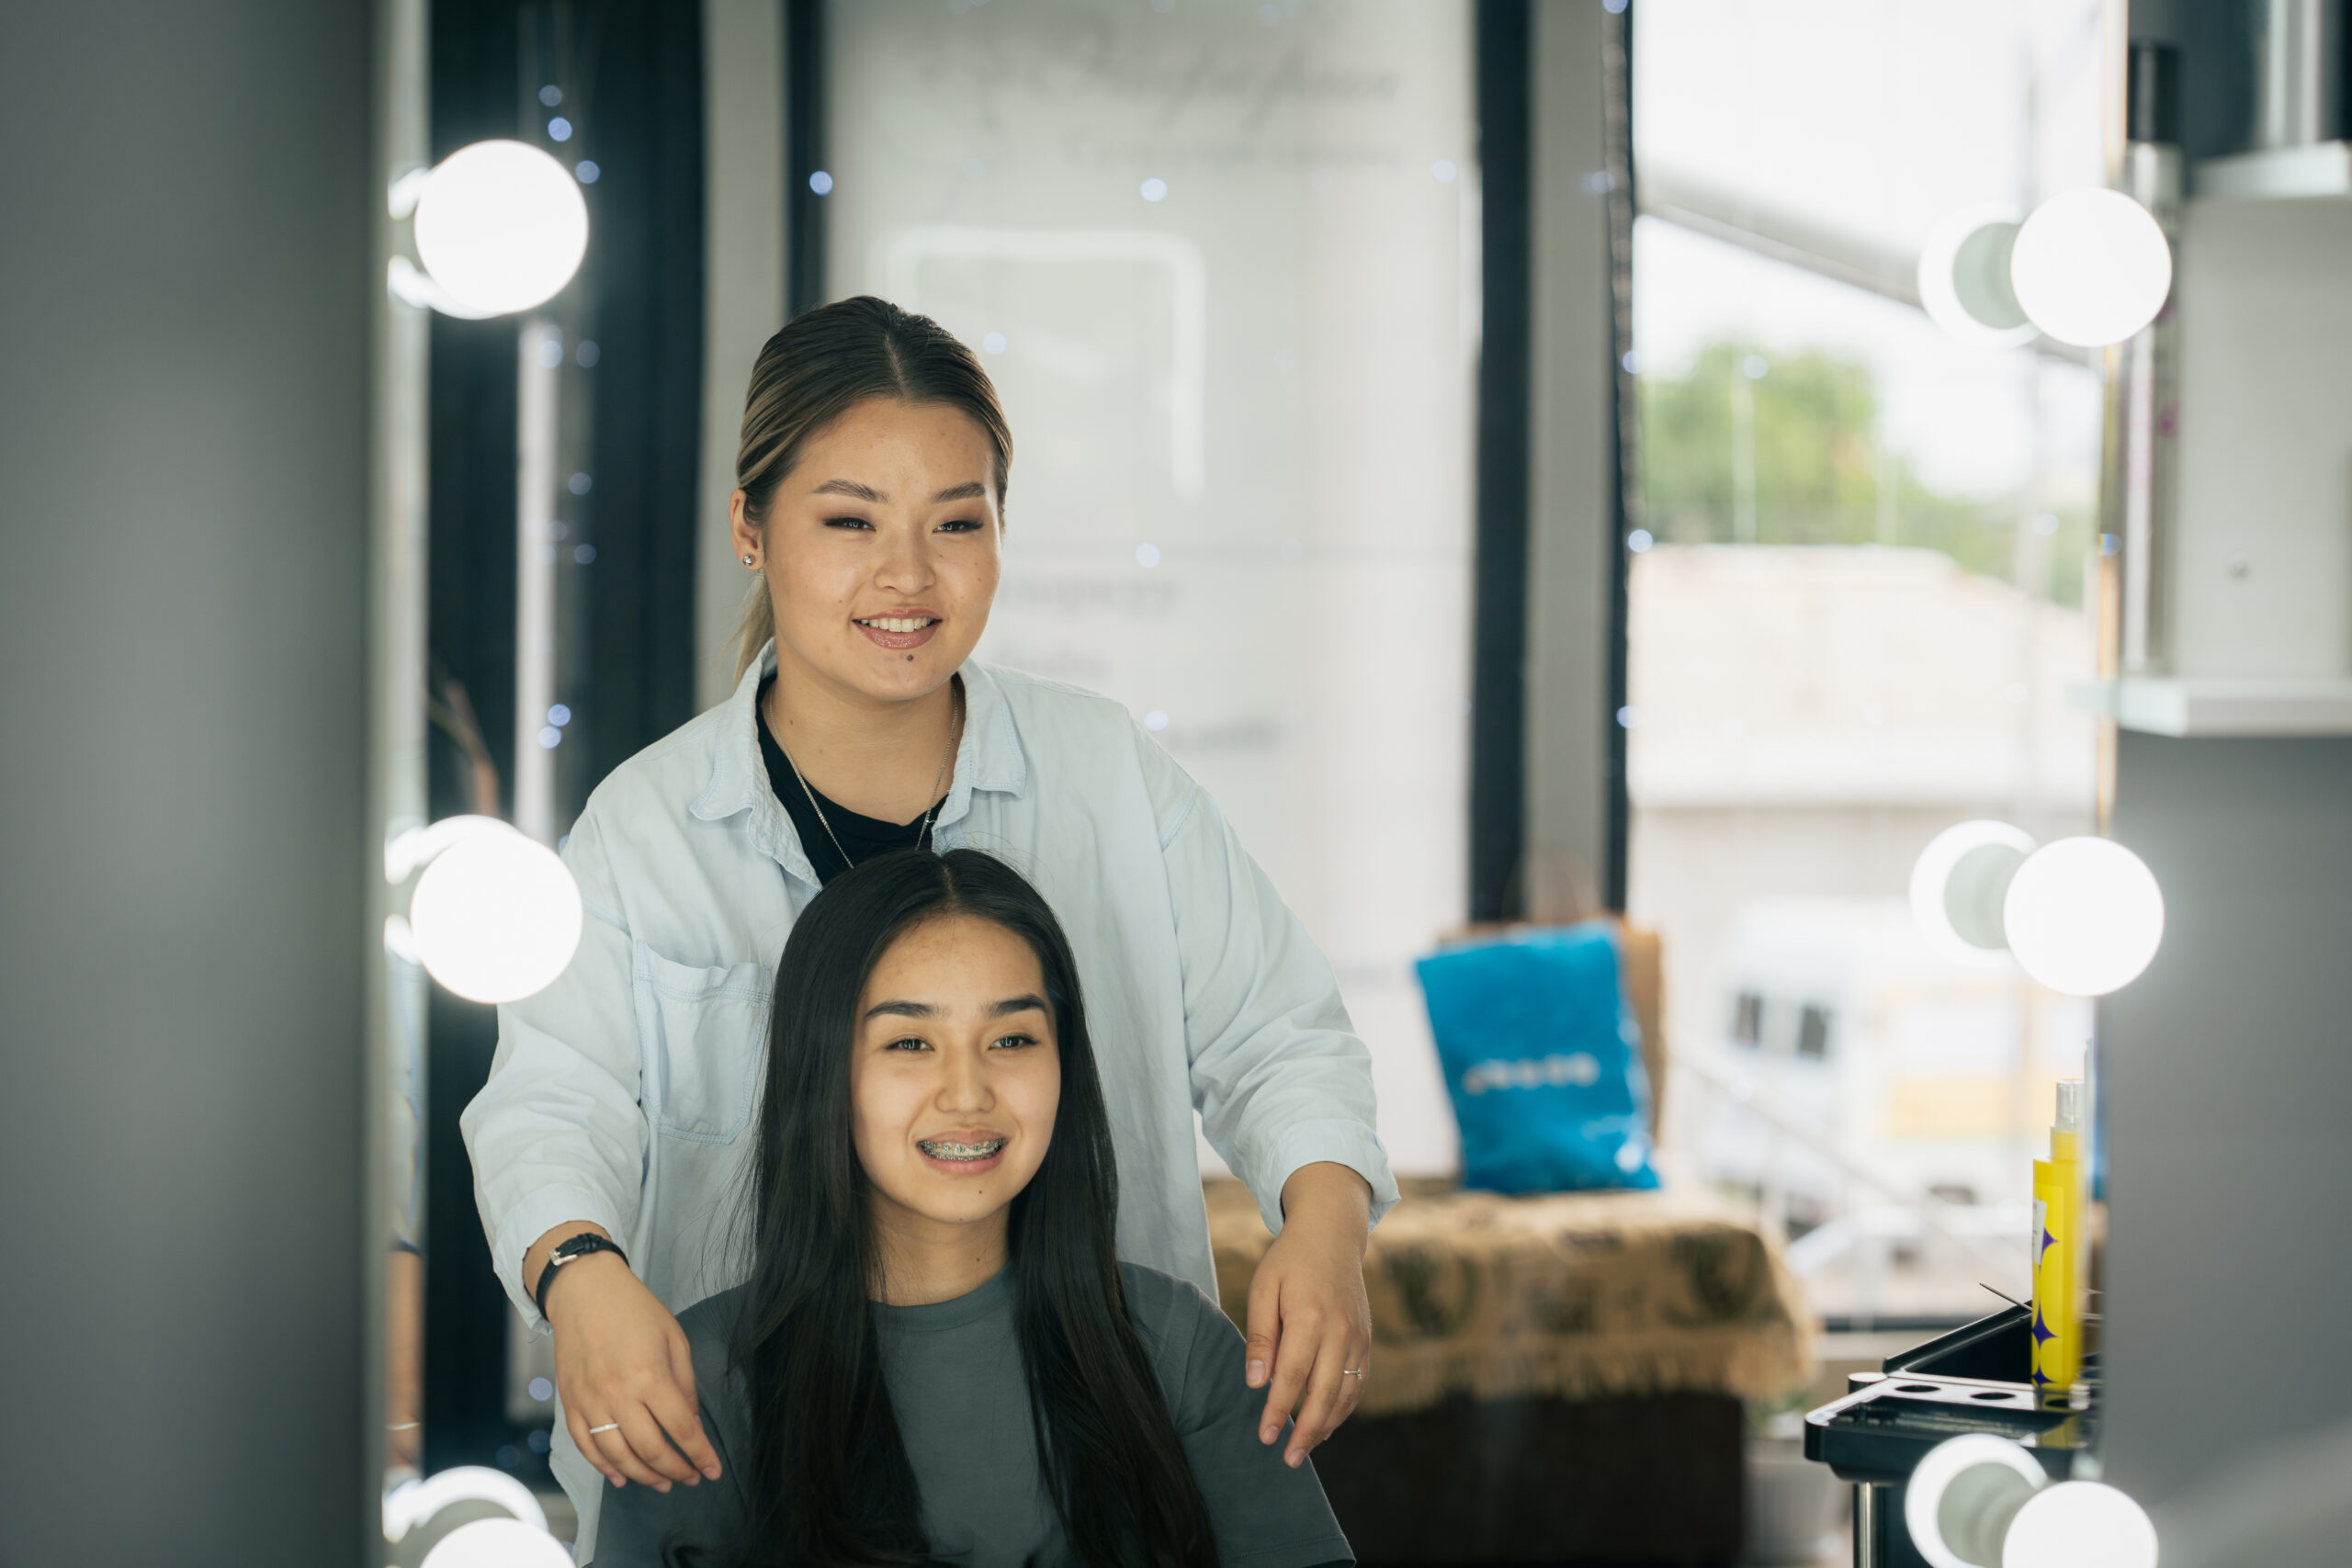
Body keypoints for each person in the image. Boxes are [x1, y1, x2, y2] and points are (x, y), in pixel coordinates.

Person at [461, 297, 1396, 1559]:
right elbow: (547, 1100)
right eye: (849, 521)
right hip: (737, 1463)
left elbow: (1279, 1030)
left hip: (1087, 1446)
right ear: (751, 528)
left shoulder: (1107, 773)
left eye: (957, 522)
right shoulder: (646, 825)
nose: (909, 575)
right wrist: (582, 1276)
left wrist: (1325, 1221)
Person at [594, 849, 1353, 1568]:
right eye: (911, 1043)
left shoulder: (1178, 1347)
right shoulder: (695, 1382)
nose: (967, 1093)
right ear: (822, 1067)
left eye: (1013, 1037)